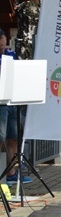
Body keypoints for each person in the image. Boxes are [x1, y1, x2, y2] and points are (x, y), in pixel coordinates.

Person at [0, 32, 28, 185]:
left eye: (2, 38)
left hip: (12, 102)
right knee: (0, 137)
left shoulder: (12, 55)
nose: (1, 42)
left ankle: (11, 172)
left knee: (13, 138)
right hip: (1, 103)